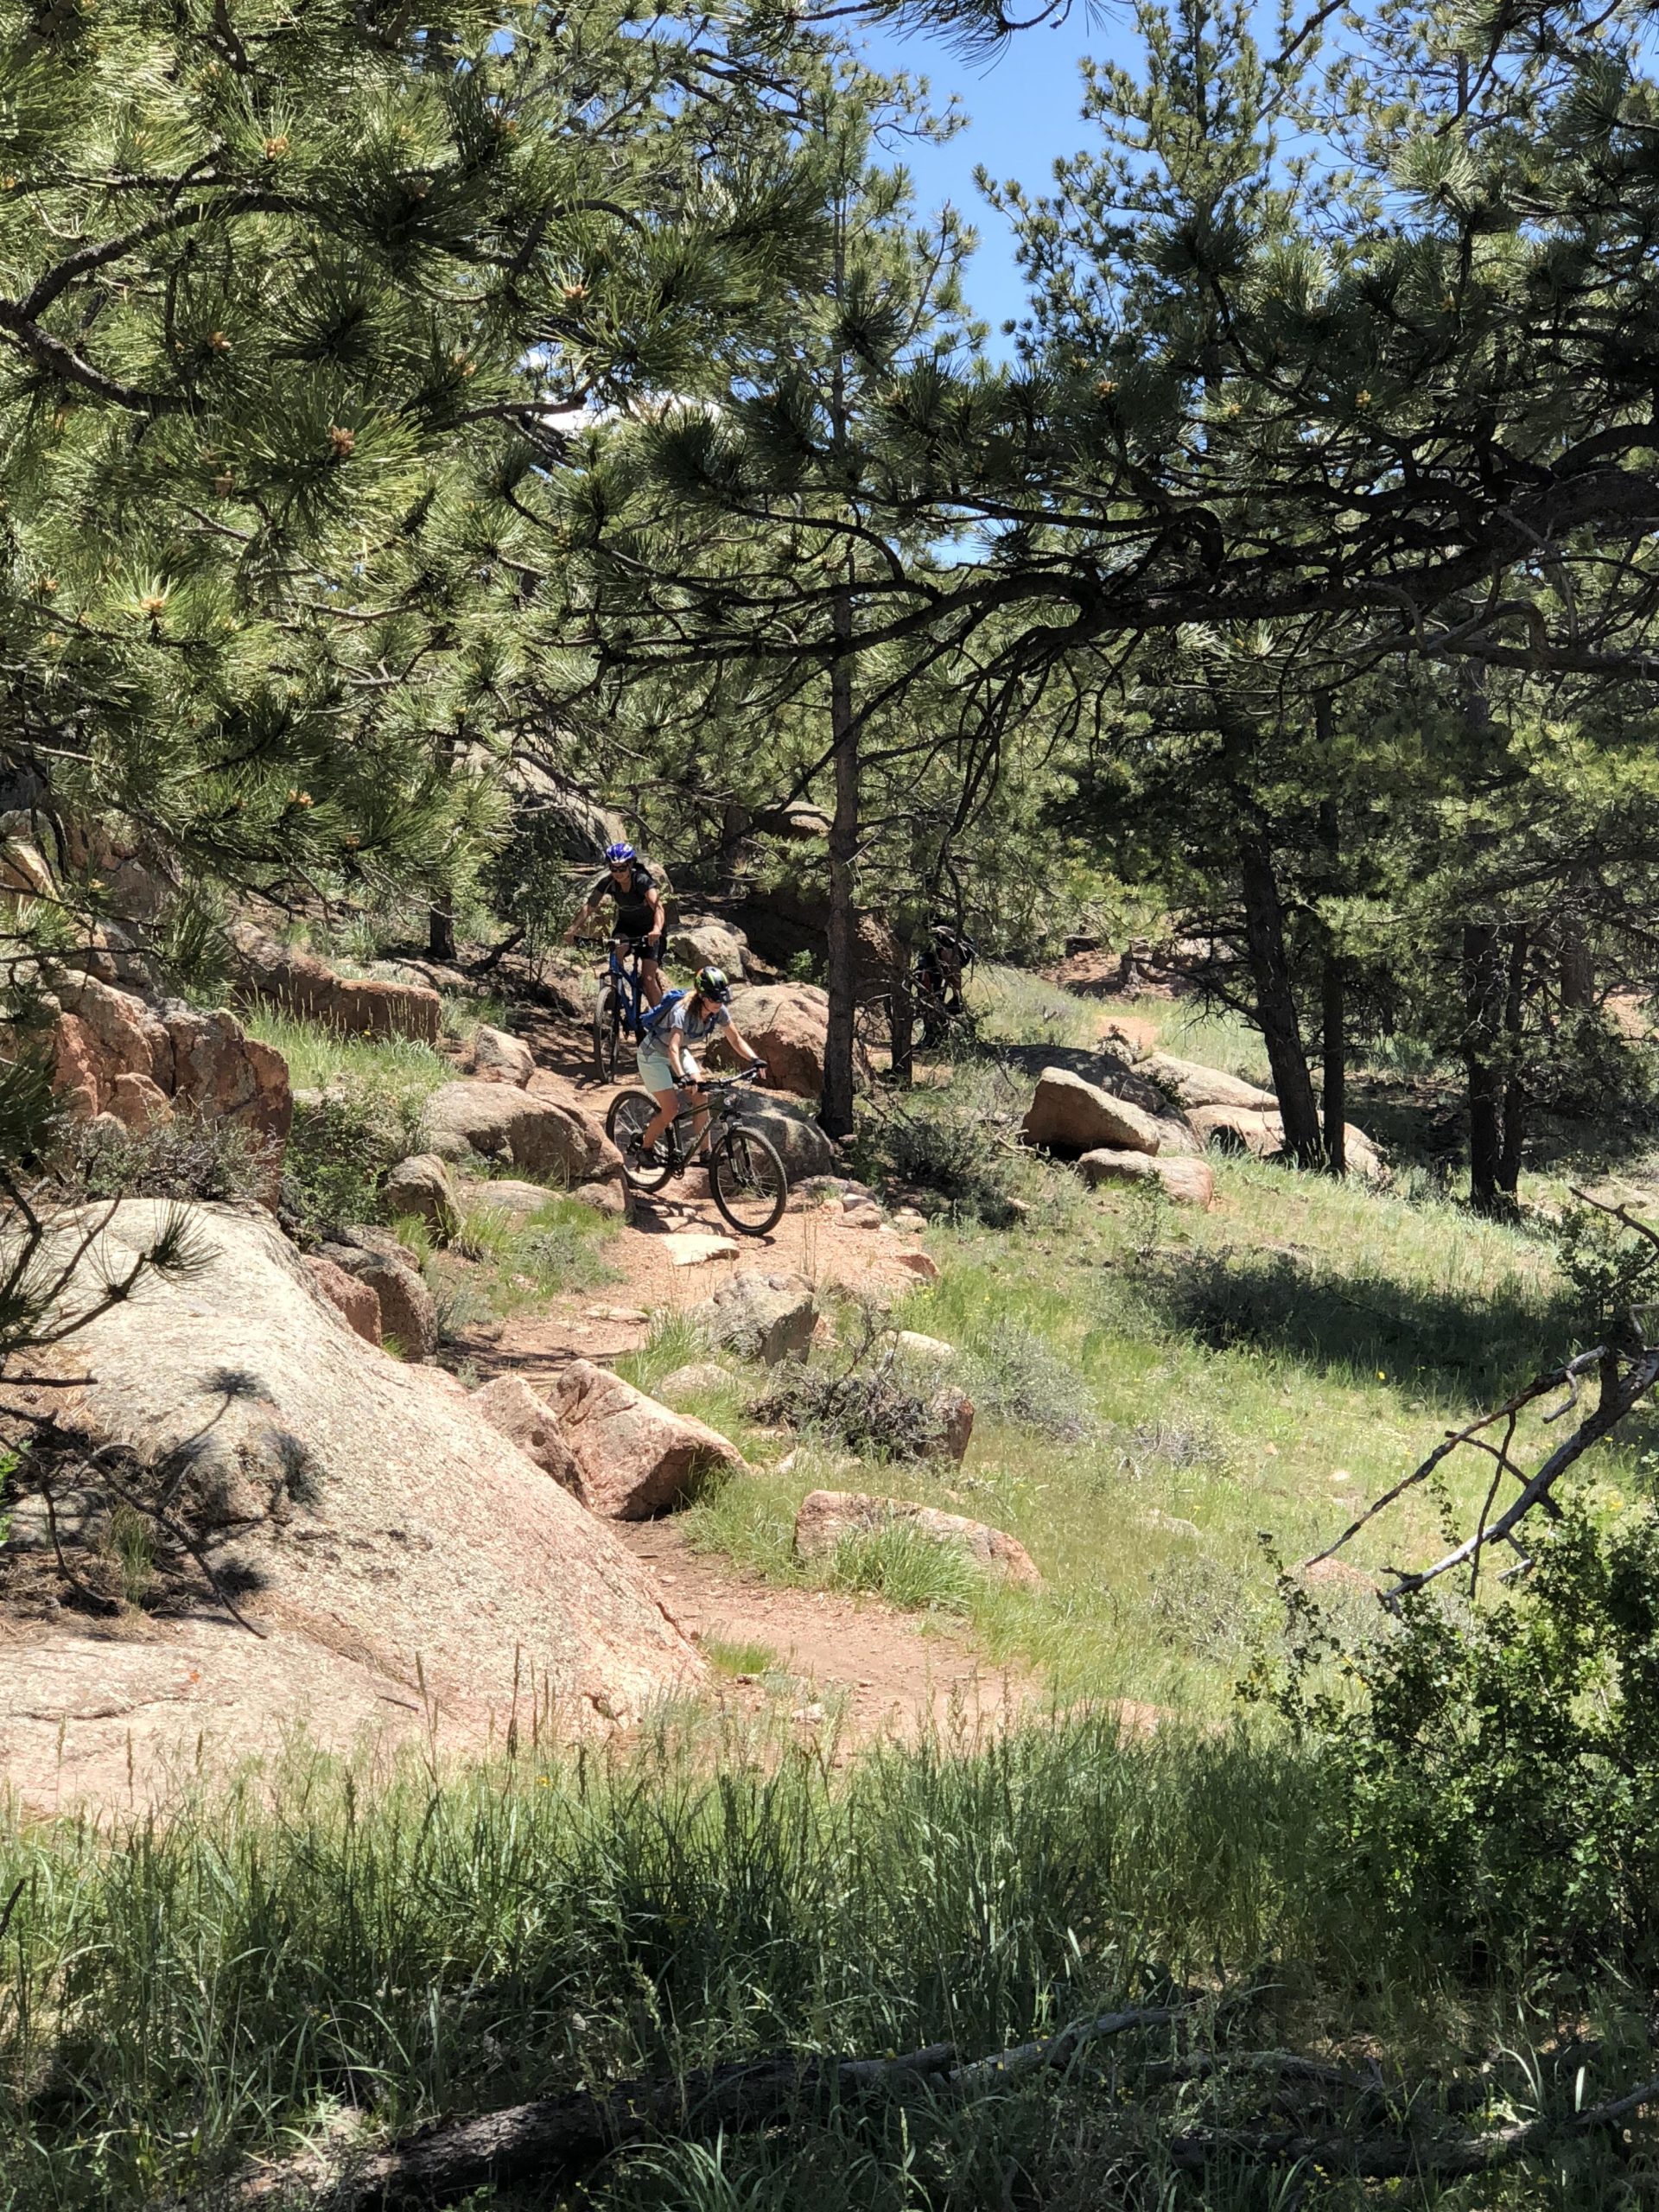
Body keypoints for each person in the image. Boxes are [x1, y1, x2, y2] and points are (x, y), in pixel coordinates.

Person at [631, 966, 766, 1165]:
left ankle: (705, 1153)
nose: (719, 1003)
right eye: (715, 999)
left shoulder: (718, 1011)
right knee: (671, 1109)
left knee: (702, 1095)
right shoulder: (682, 1011)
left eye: (722, 999)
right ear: (702, 996)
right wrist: (683, 1077)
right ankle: (646, 1148)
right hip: (653, 1056)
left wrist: (755, 1059)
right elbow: (673, 1047)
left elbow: (735, 1039)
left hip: (679, 1053)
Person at [563, 841, 666, 1007]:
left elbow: (658, 906)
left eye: (622, 868)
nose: (618, 873)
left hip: (650, 931)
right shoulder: (608, 882)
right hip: (626, 927)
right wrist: (573, 928)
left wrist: (656, 929)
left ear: (630, 865)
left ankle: (661, 1019)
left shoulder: (641, 880)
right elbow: (590, 905)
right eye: (613, 868)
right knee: (616, 953)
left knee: (648, 978)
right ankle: (617, 996)